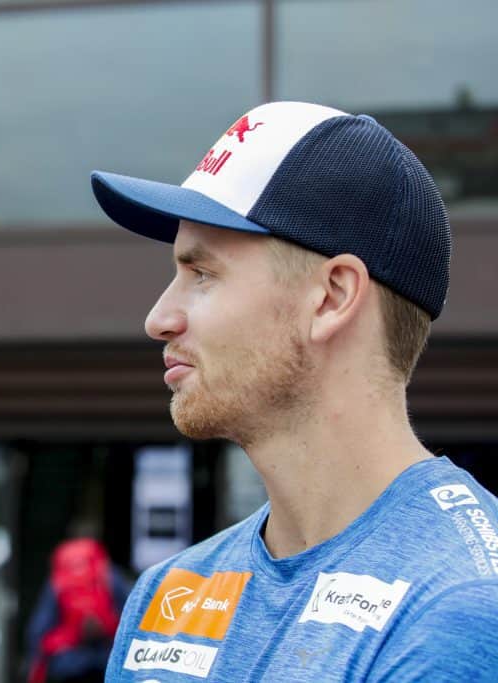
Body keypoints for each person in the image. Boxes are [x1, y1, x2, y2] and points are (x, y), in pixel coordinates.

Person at [89, 101, 498, 681]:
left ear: (331, 298)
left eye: (202, 274)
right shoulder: (168, 596)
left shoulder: (460, 607)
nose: (158, 318)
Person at [26, 535, 131, 683]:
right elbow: (134, 619)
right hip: (108, 661)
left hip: (68, 665)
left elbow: (37, 632)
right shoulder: (109, 575)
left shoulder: (58, 581)